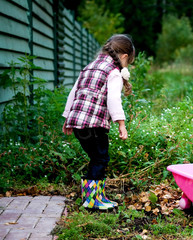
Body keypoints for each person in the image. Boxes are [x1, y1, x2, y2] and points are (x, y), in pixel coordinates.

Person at [62, 34, 135, 210]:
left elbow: (74, 92)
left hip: (79, 124)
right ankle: (93, 201)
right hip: (93, 125)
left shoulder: (89, 67)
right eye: (129, 61)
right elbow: (113, 100)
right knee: (100, 158)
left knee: (96, 158)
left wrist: (67, 118)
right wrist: (121, 123)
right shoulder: (113, 72)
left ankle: (94, 197)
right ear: (124, 56)